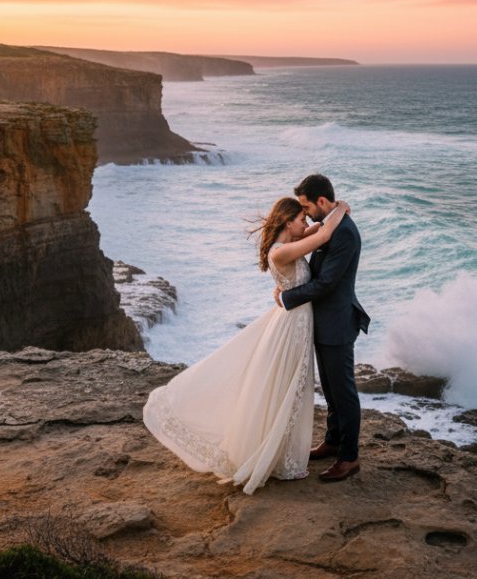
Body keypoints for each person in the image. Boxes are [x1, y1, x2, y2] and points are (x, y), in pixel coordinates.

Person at [142, 195, 350, 494]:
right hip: (292, 326)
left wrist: (323, 216)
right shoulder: (281, 253)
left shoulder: (286, 244)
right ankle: (275, 457)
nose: (306, 223)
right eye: (301, 219)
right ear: (287, 222)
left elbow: (315, 230)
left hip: (296, 322)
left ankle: (282, 454)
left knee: (292, 387)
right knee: (286, 388)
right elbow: (325, 234)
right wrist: (341, 208)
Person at [277, 174, 370, 482]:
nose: (304, 214)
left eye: (306, 206)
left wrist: (287, 297)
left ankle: (349, 457)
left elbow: (327, 283)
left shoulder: (343, 233)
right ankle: (333, 441)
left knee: (343, 392)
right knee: (330, 390)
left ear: (321, 201)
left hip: (338, 323)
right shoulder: (329, 227)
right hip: (321, 323)